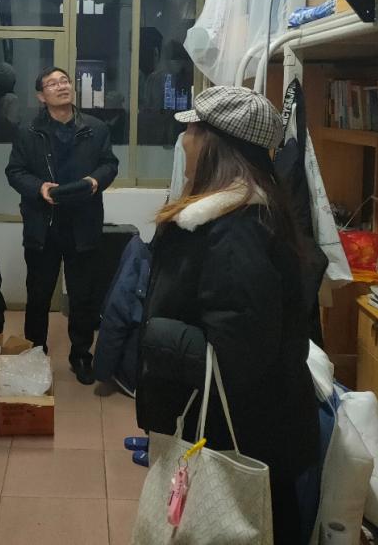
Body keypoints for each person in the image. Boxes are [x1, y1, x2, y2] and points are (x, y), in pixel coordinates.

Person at [135, 86, 320, 545]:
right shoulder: (237, 214)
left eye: (191, 132)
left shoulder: (238, 231)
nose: (183, 142)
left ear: (213, 144)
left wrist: (156, 335)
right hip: (239, 427)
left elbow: (238, 355)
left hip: (243, 439)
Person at [5, 66, 119, 385]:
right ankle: (35, 353)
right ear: (41, 96)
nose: (61, 86)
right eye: (52, 84)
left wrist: (96, 181)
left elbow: (110, 164)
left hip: (83, 224)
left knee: (83, 296)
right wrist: (38, 187)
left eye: (65, 81)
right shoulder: (28, 131)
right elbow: (15, 172)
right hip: (43, 225)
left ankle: (81, 355)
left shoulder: (95, 128)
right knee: (39, 295)